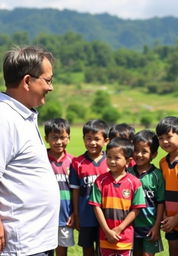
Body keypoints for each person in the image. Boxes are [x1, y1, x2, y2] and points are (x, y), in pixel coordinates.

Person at [0, 46, 59, 255]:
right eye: (48, 80)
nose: (51, 87)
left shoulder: (23, 114)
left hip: (36, 240)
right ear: (27, 81)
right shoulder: (4, 118)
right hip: (20, 244)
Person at [89, 137, 146, 256]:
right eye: (109, 157)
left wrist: (119, 229)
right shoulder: (100, 181)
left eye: (117, 158)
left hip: (124, 237)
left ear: (129, 161)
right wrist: (107, 231)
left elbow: (136, 209)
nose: (112, 161)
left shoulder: (135, 183)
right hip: (105, 237)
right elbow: (96, 207)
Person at [69, 119, 109, 256]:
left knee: (104, 248)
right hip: (85, 215)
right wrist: (76, 214)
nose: (92, 143)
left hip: (107, 215)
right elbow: (75, 191)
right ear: (83, 139)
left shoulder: (112, 161)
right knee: (87, 248)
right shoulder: (77, 163)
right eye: (88, 138)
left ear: (106, 141)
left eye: (97, 139)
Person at [156, 116, 178, 256]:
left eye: (168, 137)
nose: (164, 141)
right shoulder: (162, 162)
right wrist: (165, 215)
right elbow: (163, 191)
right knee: (173, 251)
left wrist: (176, 218)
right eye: (160, 138)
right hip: (169, 221)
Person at [128, 130, 165, 256]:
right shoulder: (127, 173)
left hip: (150, 226)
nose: (139, 154)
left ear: (154, 154)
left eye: (144, 151)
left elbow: (160, 203)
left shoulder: (157, 175)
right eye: (136, 150)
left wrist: (156, 227)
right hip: (130, 225)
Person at [44, 118, 74, 256]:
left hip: (65, 217)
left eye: (62, 137)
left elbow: (75, 191)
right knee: (43, 251)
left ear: (69, 138)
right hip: (43, 216)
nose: (59, 142)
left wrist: (74, 213)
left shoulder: (73, 162)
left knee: (62, 251)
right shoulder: (40, 159)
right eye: (54, 138)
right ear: (46, 139)